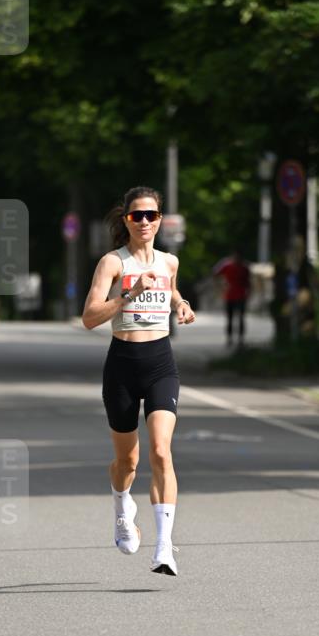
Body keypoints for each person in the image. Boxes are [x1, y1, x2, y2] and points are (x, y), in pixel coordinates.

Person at [82, 186, 196, 576]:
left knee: (161, 452)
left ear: (160, 220)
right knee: (127, 460)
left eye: (150, 215)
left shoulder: (170, 261)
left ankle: (164, 546)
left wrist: (179, 303)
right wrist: (129, 294)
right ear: (126, 220)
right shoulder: (113, 263)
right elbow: (90, 317)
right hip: (122, 367)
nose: (144, 221)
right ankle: (121, 506)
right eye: (136, 216)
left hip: (161, 364)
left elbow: (173, 288)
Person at [213, 251, 251, 347]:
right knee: (232, 318)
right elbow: (216, 273)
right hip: (232, 295)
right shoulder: (231, 266)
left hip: (238, 295)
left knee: (238, 318)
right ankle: (232, 339)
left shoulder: (241, 267)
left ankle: (238, 339)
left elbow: (215, 272)